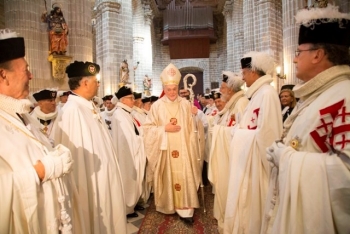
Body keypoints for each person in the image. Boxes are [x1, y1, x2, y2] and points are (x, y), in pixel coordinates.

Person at [263, 4, 350, 234]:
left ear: (318, 54)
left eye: (298, 52)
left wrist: (288, 159)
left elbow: (346, 177)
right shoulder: (319, 96)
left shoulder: (345, 96)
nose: (293, 60)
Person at [0, 29, 83, 233]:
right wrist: (43, 170)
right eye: (25, 69)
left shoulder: (21, 112)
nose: (31, 75)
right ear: (3, 75)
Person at [54, 61, 127, 234]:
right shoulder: (73, 111)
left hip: (103, 184)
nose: (99, 84)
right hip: (91, 189)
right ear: (85, 82)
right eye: (96, 80)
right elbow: (76, 162)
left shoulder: (88, 107)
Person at [224, 51, 283, 234]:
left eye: (244, 73)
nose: (242, 77)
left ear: (253, 72)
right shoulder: (257, 95)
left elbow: (269, 135)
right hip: (248, 163)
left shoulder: (267, 94)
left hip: (258, 167)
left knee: (254, 210)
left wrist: (239, 134)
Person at [142, 63, 201, 224]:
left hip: (184, 149)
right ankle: (169, 204)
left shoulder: (186, 104)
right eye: (168, 89)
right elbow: (147, 129)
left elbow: (195, 129)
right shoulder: (157, 106)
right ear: (164, 89)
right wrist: (163, 129)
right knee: (169, 175)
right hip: (165, 150)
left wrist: (195, 116)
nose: (172, 92)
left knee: (184, 174)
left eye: (174, 89)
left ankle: (186, 209)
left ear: (178, 87)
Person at [208, 72, 248, 232]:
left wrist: (218, 131)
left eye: (223, 87)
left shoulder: (241, 103)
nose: (221, 90)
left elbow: (241, 133)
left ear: (230, 89)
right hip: (227, 157)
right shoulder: (233, 104)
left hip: (234, 160)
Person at [111, 86, 147, 218]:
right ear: (123, 100)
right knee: (128, 179)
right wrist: (142, 139)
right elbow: (128, 138)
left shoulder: (127, 113)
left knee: (135, 179)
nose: (134, 101)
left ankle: (133, 203)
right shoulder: (119, 114)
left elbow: (136, 130)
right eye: (131, 98)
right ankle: (127, 208)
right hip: (126, 154)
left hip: (133, 150)